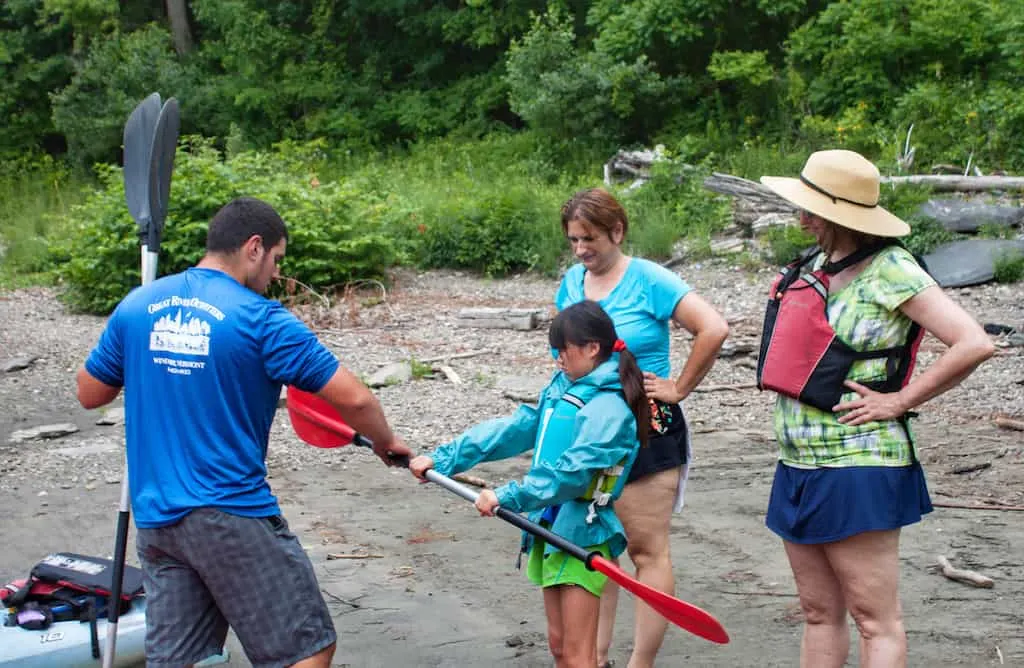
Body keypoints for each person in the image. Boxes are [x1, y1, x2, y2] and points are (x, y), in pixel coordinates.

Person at [76, 197, 413, 668]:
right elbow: (355, 399)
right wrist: (384, 441)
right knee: (307, 651)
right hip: (230, 513)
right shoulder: (262, 320)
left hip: (157, 522)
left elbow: (90, 392)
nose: (275, 273)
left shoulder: (138, 304)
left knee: (182, 662)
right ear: (254, 247)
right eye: (276, 259)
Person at [757, 149, 995, 667]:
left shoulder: (891, 268)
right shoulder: (814, 264)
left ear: (843, 214)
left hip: (859, 463)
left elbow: (973, 342)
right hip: (798, 461)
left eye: (812, 209)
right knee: (818, 612)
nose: (802, 218)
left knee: (873, 618)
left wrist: (901, 401)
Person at [409, 300, 648, 668]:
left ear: (592, 348)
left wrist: (510, 494)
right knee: (559, 647)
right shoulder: (563, 388)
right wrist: (444, 458)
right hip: (548, 528)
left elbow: (573, 474)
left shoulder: (609, 409)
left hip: (582, 535)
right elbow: (512, 430)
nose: (558, 360)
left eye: (563, 350)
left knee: (580, 655)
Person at [555, 188, 729, 668]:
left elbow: (713, 328)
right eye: (573, 240)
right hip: (589, 431)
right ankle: (597, 657)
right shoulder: (571, 282)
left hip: (645, 425)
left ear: (618, 230)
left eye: (588, 238)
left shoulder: (650, 279)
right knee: (595, 546)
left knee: (645, 549)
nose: (580, 250)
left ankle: (641, 663)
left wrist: (679, 387)